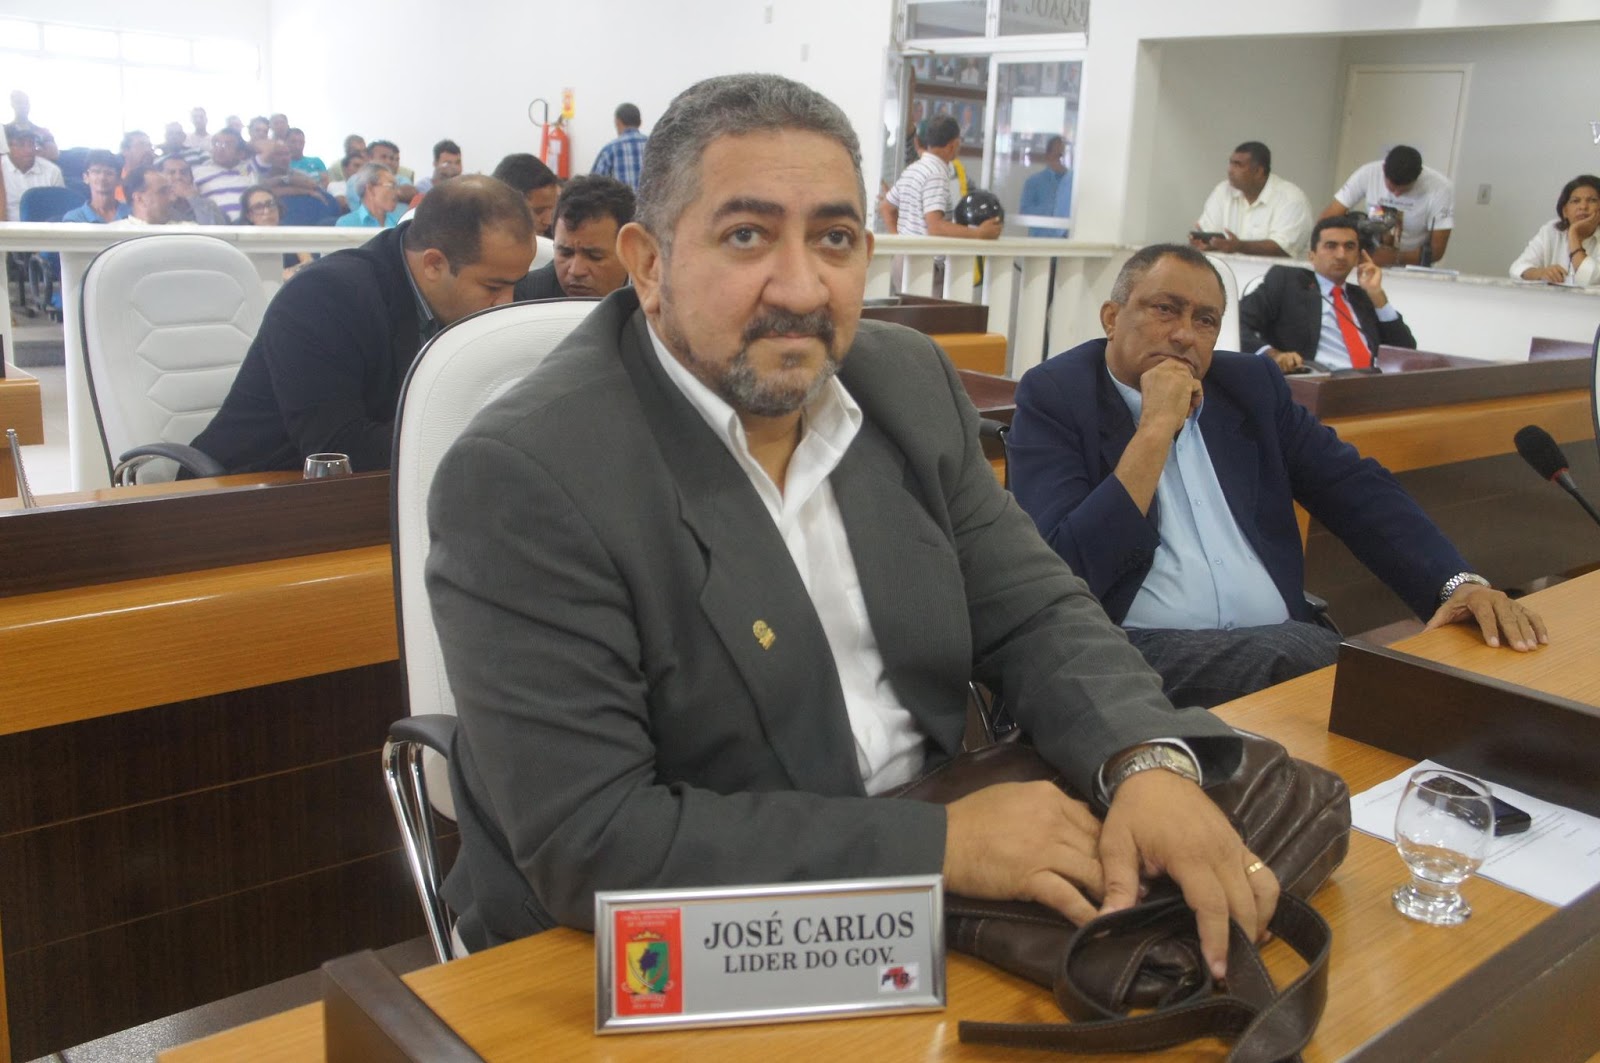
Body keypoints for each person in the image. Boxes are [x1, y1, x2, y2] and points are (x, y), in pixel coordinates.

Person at [428, 73, 1275, 983]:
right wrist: (937, 844)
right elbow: (595, 837)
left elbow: (1037, 610)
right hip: (666, 948)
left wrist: (1144, 759)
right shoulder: (525, 475)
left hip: (954, 894)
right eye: (746, 235)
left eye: (833, 239)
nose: (802, 287)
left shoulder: (902, 380)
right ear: (648, 262)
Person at [1007, 244, 1546, 709]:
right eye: (1165, 309)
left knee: (1420, 672)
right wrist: (1153, 431)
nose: (1184, 335)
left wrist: (1456, 584)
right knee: (1325, 666)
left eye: (1205, 320)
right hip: (1127, 653)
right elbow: (1065, 571)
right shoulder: (1056, 395)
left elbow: (1357, 491)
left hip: (1274, 648)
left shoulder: (1250, 386)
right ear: (1111, 318)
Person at [190, 175, 533, 474]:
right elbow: (337, 450)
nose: (508, 302)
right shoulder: (324, 297)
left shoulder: (479, 296)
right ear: (433, 264)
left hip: (385, 495)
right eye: (493, 287)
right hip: (247, 496)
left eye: (514, 285)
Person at [1240, 215, 1417, 373]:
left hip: (1370, 384)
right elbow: (1236, 322)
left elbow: (1406, 352)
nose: (1341, 255)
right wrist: (1272, 355)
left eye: (1349, 247)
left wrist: (1377, 295)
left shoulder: (1363, 297)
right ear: (1312, 255)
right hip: (1316, 382)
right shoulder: (1287, 282)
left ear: (1358, 256)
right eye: (1331, 246)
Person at [1322, 145, 1453, 266]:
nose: (1396, 194)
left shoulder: (1440, 188)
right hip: (1367, 259)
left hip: (1412, 266)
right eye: (1392, 187)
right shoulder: (1368, 173)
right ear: (1384, 169)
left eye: (1404, 190)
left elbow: (1437, 251)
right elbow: (1326, 221)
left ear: (1418, 176)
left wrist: (1396, 258)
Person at [513, 174, 633, 300]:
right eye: (566, 253)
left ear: (630, 252)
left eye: (594, 256)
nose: (576, 271)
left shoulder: (647, 297)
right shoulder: (526, 298)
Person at [880, 115, 1000, 240]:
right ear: (954, 144)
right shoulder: (936, 175)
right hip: (927, 252)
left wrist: (900, 242)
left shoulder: (912, 169)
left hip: (909, 252)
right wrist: (978, 233)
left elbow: (886, 208)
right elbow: (935, 227)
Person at [1189, 141, 1312, 259]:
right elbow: (1209, 233)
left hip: (1277, 273)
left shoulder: (1291, 198)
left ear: (1258, 171)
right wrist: (1208, 245)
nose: (1230, 170)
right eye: (1230, 163)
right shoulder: (1223, 191)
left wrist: (1239, 247)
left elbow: (1282, 249)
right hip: (1227, 270)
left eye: (1238, 165)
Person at [1510, 175, 1600, 287]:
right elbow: (1517, 268)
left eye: (1592, 200)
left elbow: (1591, 279)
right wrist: (1540, 273)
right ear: (1565, 211)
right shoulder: (1550, 231)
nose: (1583, 206)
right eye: (1575, 201)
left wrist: (1573, 233)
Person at [239, 186, 315, 278]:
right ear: (249, 215)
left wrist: (293, 272)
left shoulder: (291, 234)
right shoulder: (244, 241)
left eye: (270, 204)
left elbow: (308, 262)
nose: (267, 211)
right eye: (258, 207)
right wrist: (279, 274)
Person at [490, 152, 560, 236]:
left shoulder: (555, 235)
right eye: (538, 211)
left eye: (553, 210)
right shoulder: (479, 238)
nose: (548, 221)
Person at [2, 127, 63, 220]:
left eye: (31, 144)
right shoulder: (2, 169)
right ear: (8, 148)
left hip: (43, 226)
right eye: (21, 144)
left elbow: (60, 206)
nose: (29, 150)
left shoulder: (52, 171)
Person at [193, 129, 254, 221]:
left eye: (228, 145)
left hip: (248, 225)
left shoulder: (249, 169)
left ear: (240, 153)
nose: (220, 148)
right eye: (217, 143)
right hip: (215, 225)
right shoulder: (199, 172)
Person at [1020, 135, 1072, 237]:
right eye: (1056, 156)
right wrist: (1053, 209)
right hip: (1039, 242)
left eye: (1061, 156)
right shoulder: (1034, 182)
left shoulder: (1073, 184)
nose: (1059, 160)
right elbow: (1024, 212)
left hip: (1066, 243)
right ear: (1048, 156)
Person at [590, 102, 648, 188]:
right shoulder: (654, 146)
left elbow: (593, 186)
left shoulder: (609, 150)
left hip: (622, 197)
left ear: (618, 122)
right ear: (640, 122)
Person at [61, 151, 128, 223]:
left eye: (109, 173)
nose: (102, 177)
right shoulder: (74, 218)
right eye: (96, 172)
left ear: (119, 180)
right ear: (85, 177)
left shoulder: (133, 213)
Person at [160, 155, 229, 224]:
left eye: (183, 173)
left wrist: (193, 198)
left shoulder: (208, 205)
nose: (178, 177)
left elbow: (212, 229)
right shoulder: (158, 205)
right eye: (171, 172)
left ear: (191, 178)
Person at [335, 163, 404, 228]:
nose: (398, 192)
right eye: (391, 186)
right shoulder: (347, 224)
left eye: (397, 186)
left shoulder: (400, 222)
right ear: (370, 189)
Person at [107, 165, 177, 227]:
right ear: (139, 198)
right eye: (163, 192)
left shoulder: (181, 231)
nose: (172, 198)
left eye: (169, 191)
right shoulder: (112, 233)